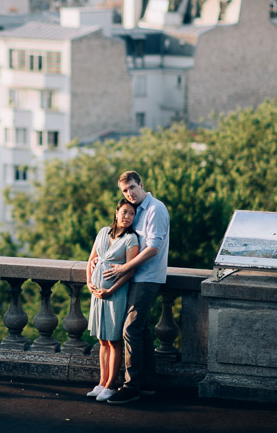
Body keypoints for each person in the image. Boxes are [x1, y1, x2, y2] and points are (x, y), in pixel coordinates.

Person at [102, 170, 170, 405]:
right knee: (142, 331)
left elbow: (153, 248)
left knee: (130, 329)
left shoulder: (155, 209)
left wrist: (123, 268)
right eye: (124, 191)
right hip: (136, 276)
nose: (129, 193)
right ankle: (148, 384)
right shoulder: (136, 211)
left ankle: (131, 387)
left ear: (141, 184)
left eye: (132, 187)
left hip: (148, 277)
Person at [85, 199, 140, 403]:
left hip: (115, 293)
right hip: (98, 293)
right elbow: (91, 259)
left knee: (114, 340)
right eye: (124, 212)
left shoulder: (131, 239)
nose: (127, 217)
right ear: (116, 212)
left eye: (132, 214)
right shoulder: (102, 232)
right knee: (102, 339)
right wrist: (89, 282)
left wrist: (111, 290)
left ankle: (110, 386)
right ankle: (101, 382)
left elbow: (130, 270)